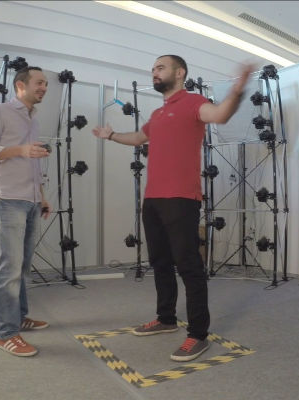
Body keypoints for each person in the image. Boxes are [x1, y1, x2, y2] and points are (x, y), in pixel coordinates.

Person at [93, 55, 253, 361]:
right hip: (153, 199)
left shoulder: (194, 102)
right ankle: (166, 318)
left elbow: (220, 115)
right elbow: (138, 137)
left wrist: (237, 90)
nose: (154, 72)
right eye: (153, 68)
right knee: (160, 262)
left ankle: (198, 335)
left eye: (160, 67)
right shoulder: (158, 113)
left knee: (188, 266)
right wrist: (110, 135)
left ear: (180, 73)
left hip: (181, 198)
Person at [0, 66, 52, 357]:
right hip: (7, 199)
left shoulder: (33, 118)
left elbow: (33, 161)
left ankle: (18, 317)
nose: (44, 88)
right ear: (20, 85)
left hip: (30, 200)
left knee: (22, 266)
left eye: (45, 84)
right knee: (9, 269)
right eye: (39, 83)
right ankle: (6, 334)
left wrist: (41, 197)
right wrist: (19, 150)